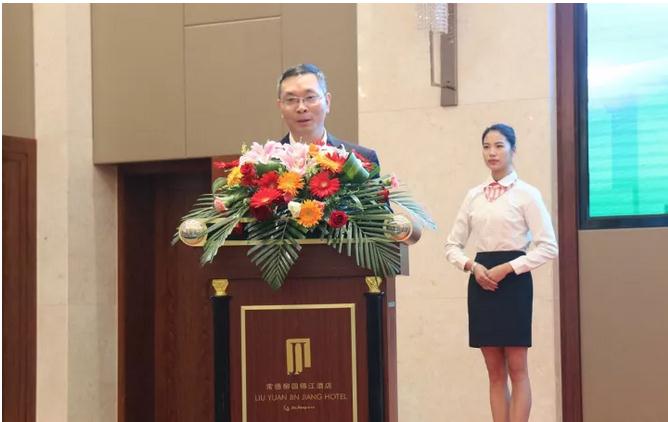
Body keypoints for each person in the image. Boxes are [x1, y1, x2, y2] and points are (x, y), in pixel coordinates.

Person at [444, 123, 558, 422]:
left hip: (514, 283)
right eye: (486, 146)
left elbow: (549, 246)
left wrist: (509, 268)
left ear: (513, 149)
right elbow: (451, 246)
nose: (492, 152)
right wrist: (472, 266)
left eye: (499, 146)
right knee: (494, 372)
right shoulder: (474, 195)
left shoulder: (527, 194)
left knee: (518, 368)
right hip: (481, 283)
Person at [276, 63, 379, 166]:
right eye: (291, 99)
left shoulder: (361, 160)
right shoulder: (269, 160)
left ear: (327, 102)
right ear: (280, 106)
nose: (301, 108)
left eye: (310, 97)